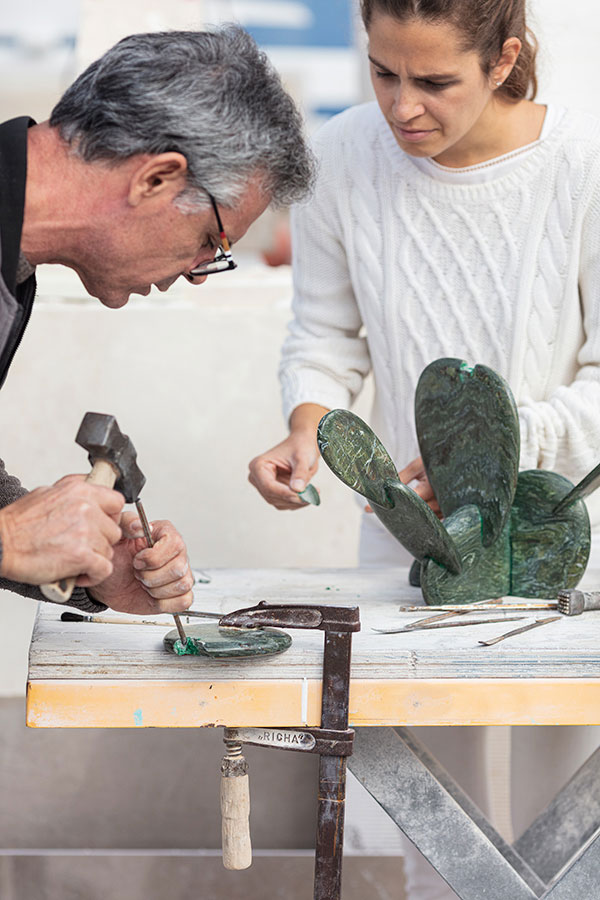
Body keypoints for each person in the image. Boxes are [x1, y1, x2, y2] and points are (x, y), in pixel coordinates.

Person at [248, 1, 600, 896]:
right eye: (382, 71)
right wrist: (307, 425)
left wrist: (489, 456)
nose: (402, 106)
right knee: (432, 826)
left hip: (571, 540)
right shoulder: (342, 157)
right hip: (417, 544)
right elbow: (324, 334)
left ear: (503, 59)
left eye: (436, 81)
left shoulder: (586, 165)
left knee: (575, 822)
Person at [0, 26, 313, 617]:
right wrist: (10, 540)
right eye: (209, 241)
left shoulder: (13, 264)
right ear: (156, 179)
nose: (198, 273)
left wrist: (89, 567)